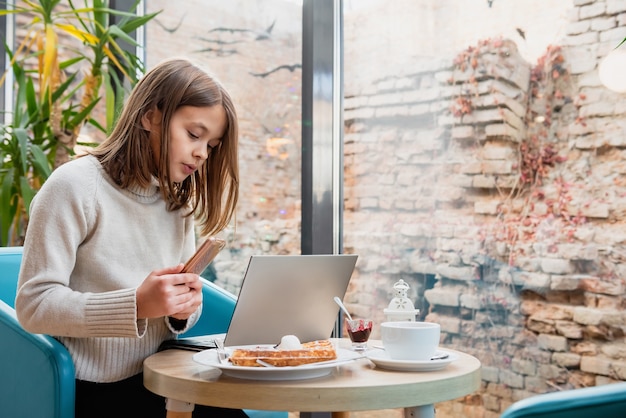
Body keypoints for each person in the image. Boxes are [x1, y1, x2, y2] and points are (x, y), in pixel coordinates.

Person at [16, 58, 248, 418]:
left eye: (212, 145)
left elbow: (176, 306)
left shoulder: (177, 203)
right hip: (93, 390)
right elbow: (34, 306)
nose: (202, 153)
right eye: (193, 134)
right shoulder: (74, 187)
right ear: (150, 116)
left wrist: (183, 306)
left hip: (165, 378)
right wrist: (137, 305)